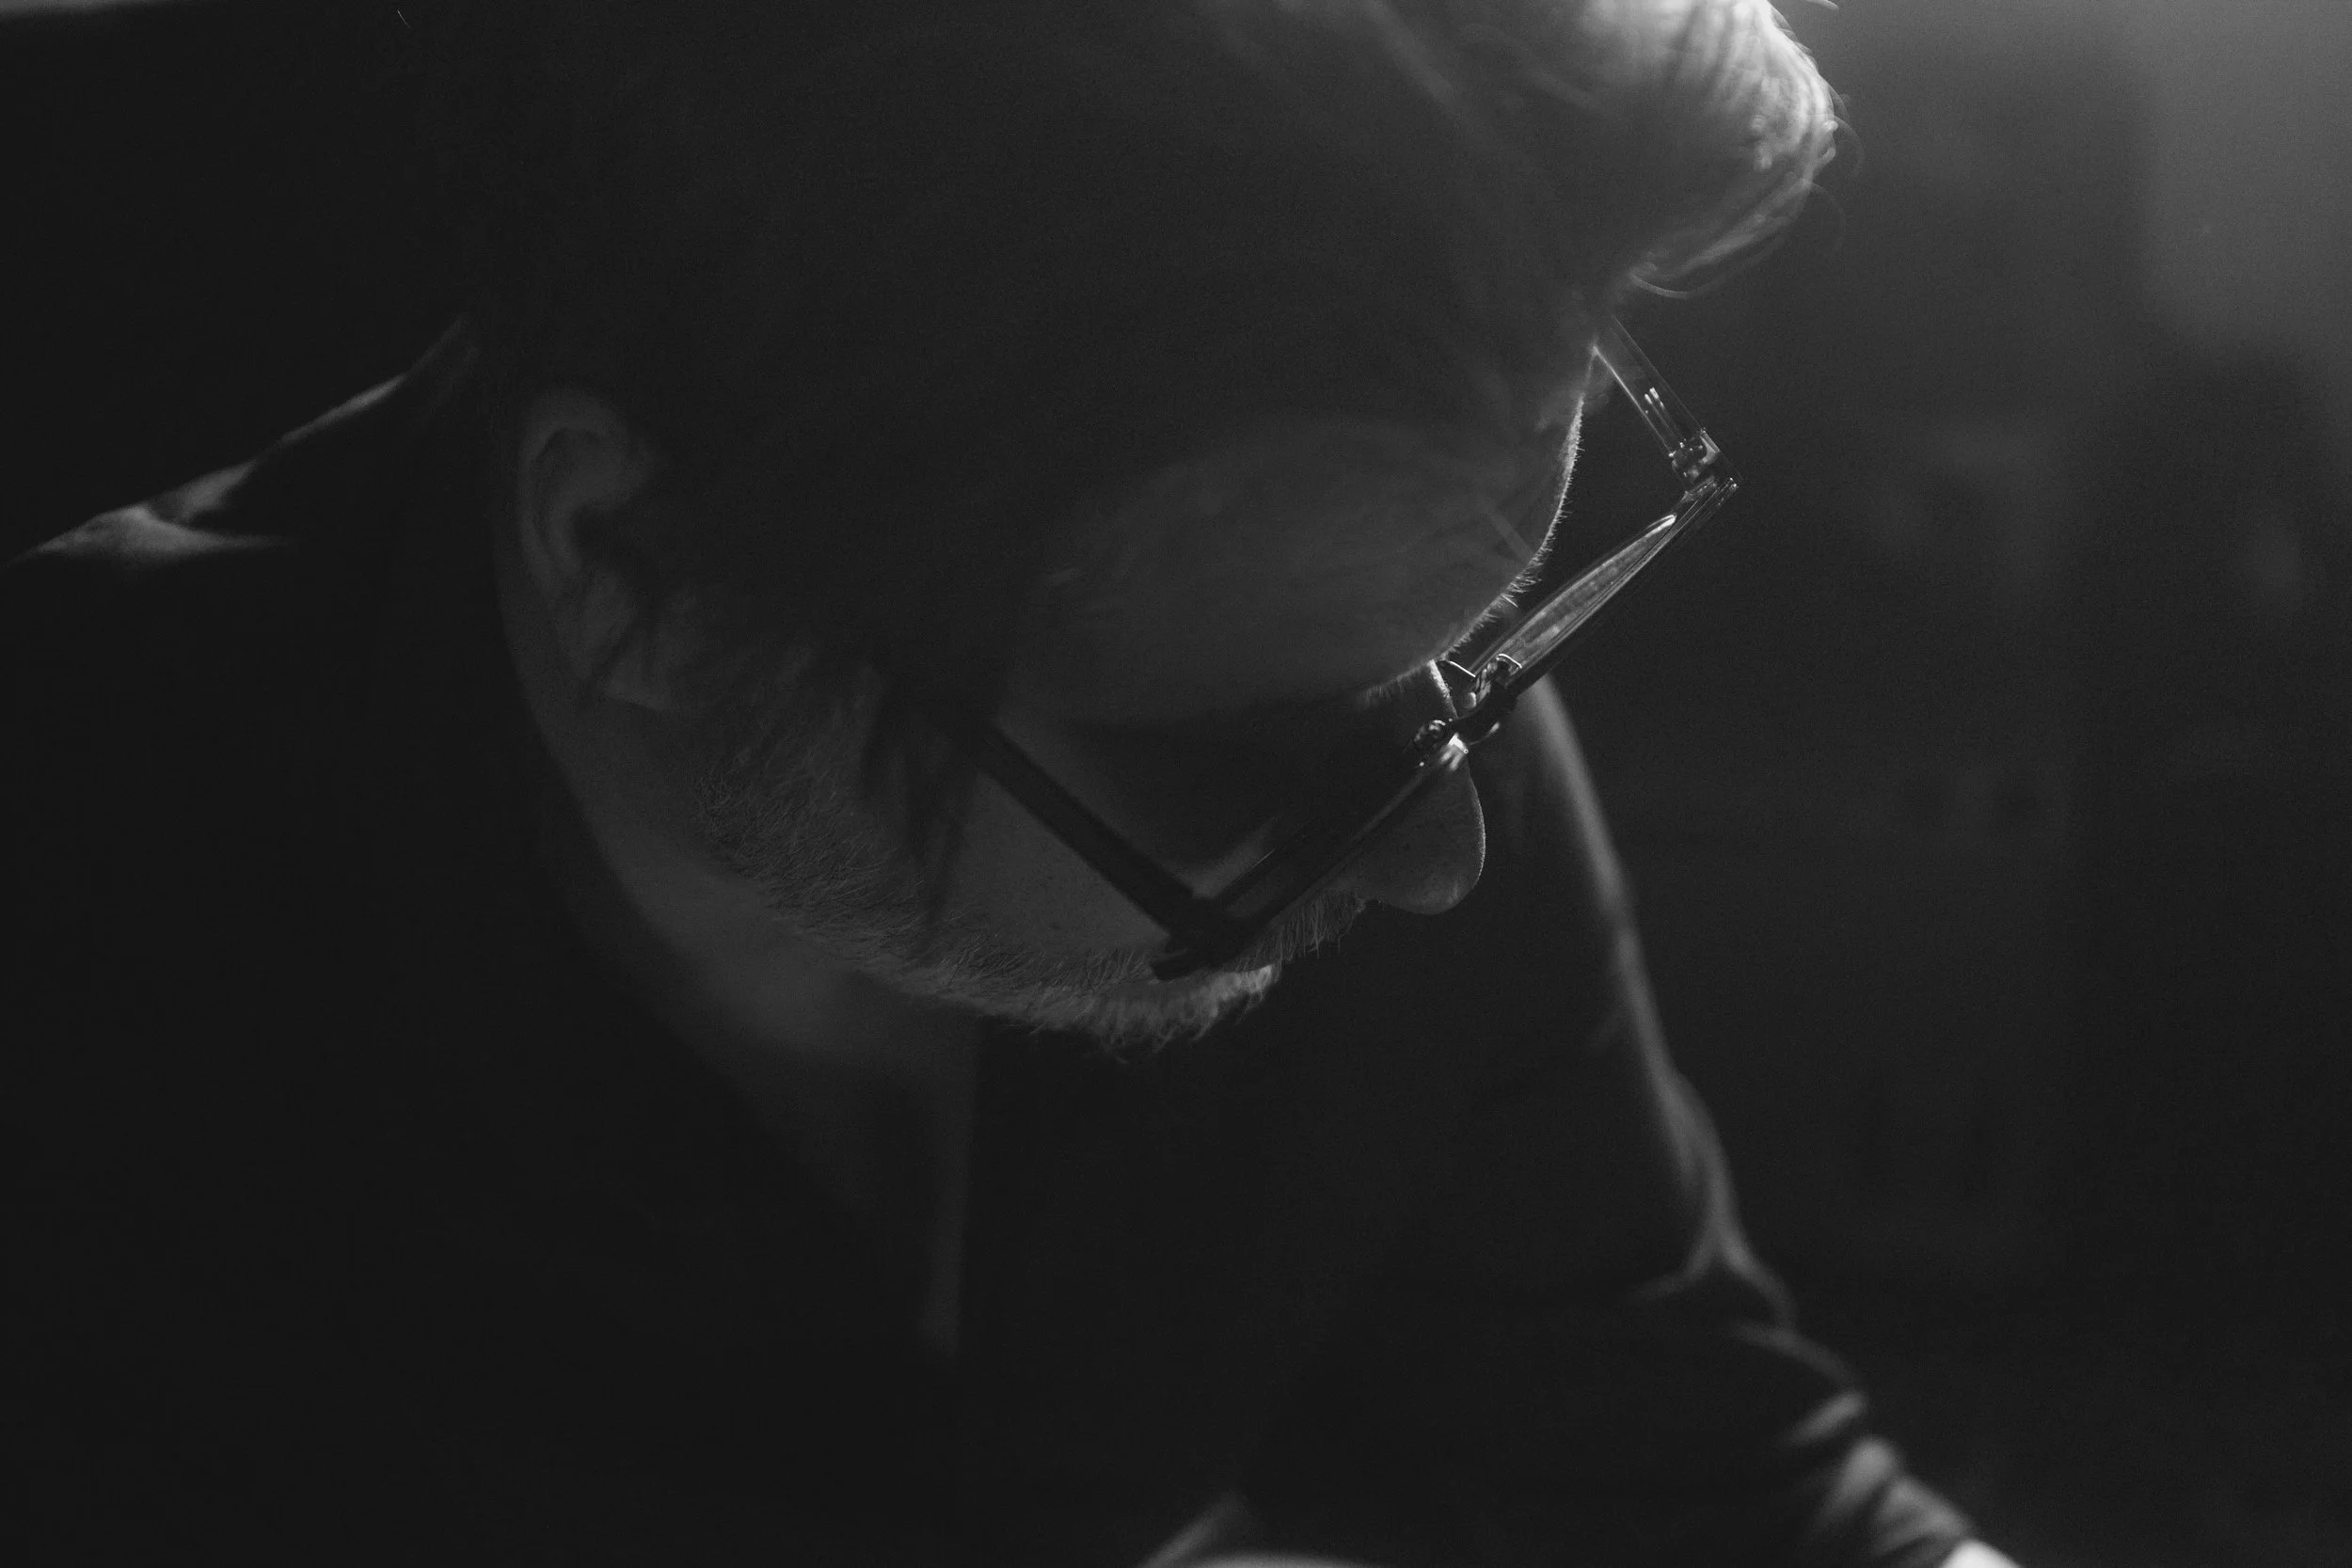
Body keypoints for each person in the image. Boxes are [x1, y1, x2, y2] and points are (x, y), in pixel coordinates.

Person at [6, 1, 2021, 1562]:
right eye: (1245, 749)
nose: (1446, 846)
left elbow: (1704, 1472)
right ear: (633, 568)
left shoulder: (1348, 688)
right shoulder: (91, 928)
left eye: (1490, 635)